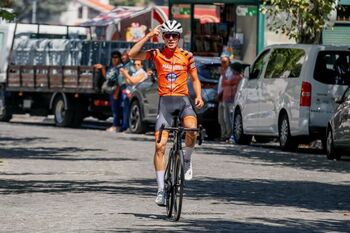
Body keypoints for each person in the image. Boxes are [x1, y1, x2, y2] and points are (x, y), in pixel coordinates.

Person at [129, 20, 204, 206]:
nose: (171, 39)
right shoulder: (156, 54)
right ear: (163, 37)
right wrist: (148, 36)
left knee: (192, 130)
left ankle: (186, 158)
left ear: (179, 38)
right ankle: (161, 190)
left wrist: (199, 96)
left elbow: (195, 79)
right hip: (165, 104)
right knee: (160, 146)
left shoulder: (187, 56)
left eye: (174, 35)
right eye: (167, 35)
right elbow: (131, 54)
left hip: (183, 101)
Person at [95, 50, 123, 132]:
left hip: (116, 90)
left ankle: (116, 125)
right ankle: (115, 124)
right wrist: (103, 68)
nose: (114, 59)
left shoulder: (119, 68)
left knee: (116, 109)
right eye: (113, 57)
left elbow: (119, 82)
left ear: (119, 58)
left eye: (116, 57)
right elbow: (106, 77)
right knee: (114, 108)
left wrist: (116, 93)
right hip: (111, 90)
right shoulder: (112, 67)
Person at [218, 54, 243, 142]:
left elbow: (225, 83)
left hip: (231, 99)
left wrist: (223, 74)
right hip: (226, 98)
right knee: (225, 118)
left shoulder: (236, 77)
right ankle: (226, 135)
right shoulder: (233, 76)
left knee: (230, 118)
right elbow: (224, 84)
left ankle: (230, 135)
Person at [119, 50, 136, 132]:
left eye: (124, 55)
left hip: (127, 88)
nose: (122, 57)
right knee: (124, 107)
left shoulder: (130, 66)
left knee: (126, 108)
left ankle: (126, 125)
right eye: (122, 56)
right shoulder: (124, 65)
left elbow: (133, 75)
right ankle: (124, 124)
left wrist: (125, 74)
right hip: (123, 88)